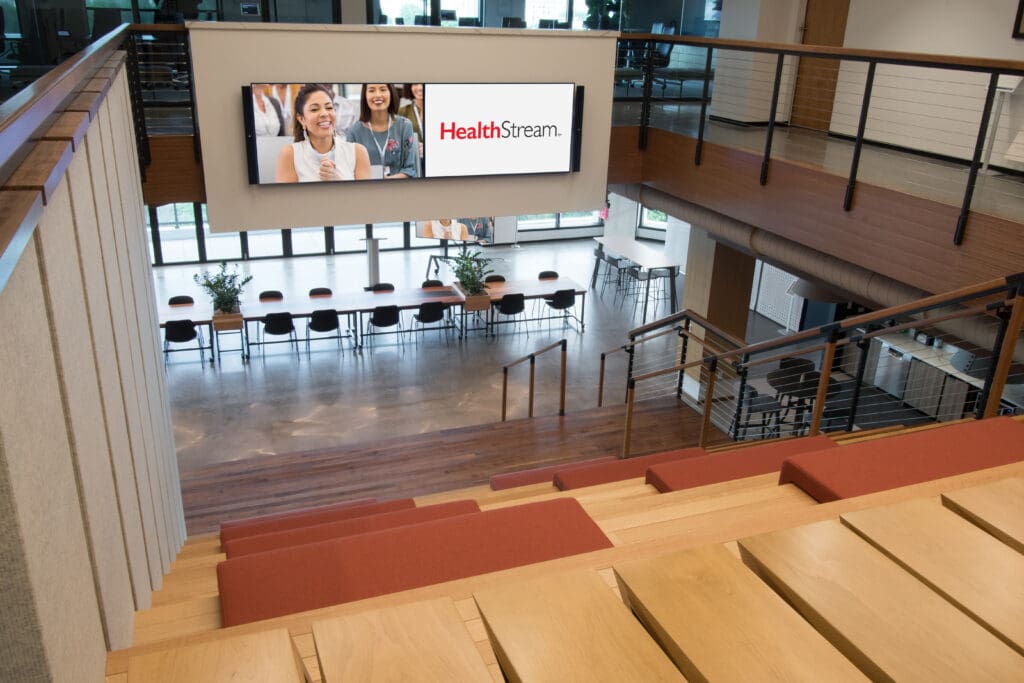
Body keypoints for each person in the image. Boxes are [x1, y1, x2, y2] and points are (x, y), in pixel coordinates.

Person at [275, 83, 371, 183]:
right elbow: (287, 198)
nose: (325, 113)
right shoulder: (290, 154)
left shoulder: (358, 152)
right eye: (314, 109)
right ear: (302, 119)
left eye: (329, 107)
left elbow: (365, 197)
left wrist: (336, 180)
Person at [346, 83, 419, 179]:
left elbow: (410, 169)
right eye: (371, 90)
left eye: (383, 89)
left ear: (391, 93)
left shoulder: (404, 125)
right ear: (365, 95)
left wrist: (386, 181)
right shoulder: (354, 131)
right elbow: (349, 171)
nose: (377, 95)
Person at [397, 83, 424, 171]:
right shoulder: (402, 112)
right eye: (415, 84)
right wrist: (413, 146)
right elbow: (397, 141)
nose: (420, 88)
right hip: (414, 164)